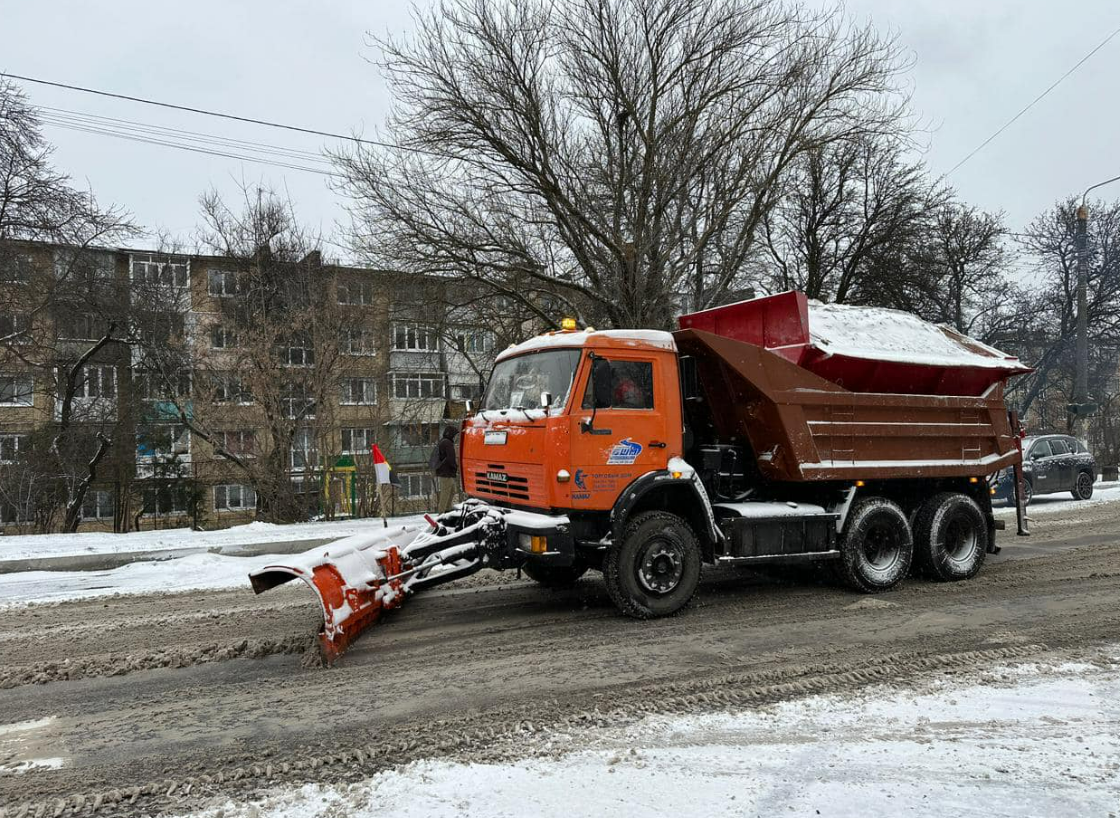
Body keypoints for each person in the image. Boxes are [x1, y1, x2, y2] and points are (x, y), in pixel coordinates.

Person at [434, 426, 459, 512]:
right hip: (446, 473)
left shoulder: (443, 441)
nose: (455, 437)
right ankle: (442, 514)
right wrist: (455, 468)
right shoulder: (447, 443)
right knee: (445, 495)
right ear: (451, 434)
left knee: (452, 491)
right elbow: (451, 458)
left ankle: (447, 510)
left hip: (444, 473)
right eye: (455, 435)